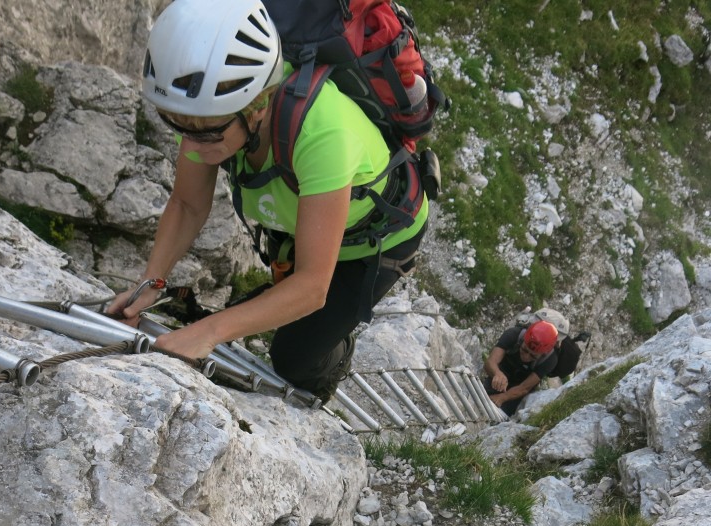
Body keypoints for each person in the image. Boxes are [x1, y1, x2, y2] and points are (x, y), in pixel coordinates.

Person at [105, 0, 429, 401]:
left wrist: (209, 332)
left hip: (375, 241)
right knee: (276, 304)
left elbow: (313, 286)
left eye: (206, 133)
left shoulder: (322, 133)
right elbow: (188, 204)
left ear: (257, 105)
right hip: (298, 216)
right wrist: (150, 284)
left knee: (294, 360)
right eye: (178, 125)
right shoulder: (206, 111)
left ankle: (337, 354)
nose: (190, 144)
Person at [483, 320, 559, 416]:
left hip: (519, 387)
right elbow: (490, 362)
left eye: (533, 356)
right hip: (500, 374)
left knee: (501, 413)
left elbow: (524, 388)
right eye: (524, 350)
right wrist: (497, 373)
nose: (526, 357)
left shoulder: (549, 360)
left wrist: (503, 397)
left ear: (543, 354)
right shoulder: (513, 334)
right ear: (523, 340)